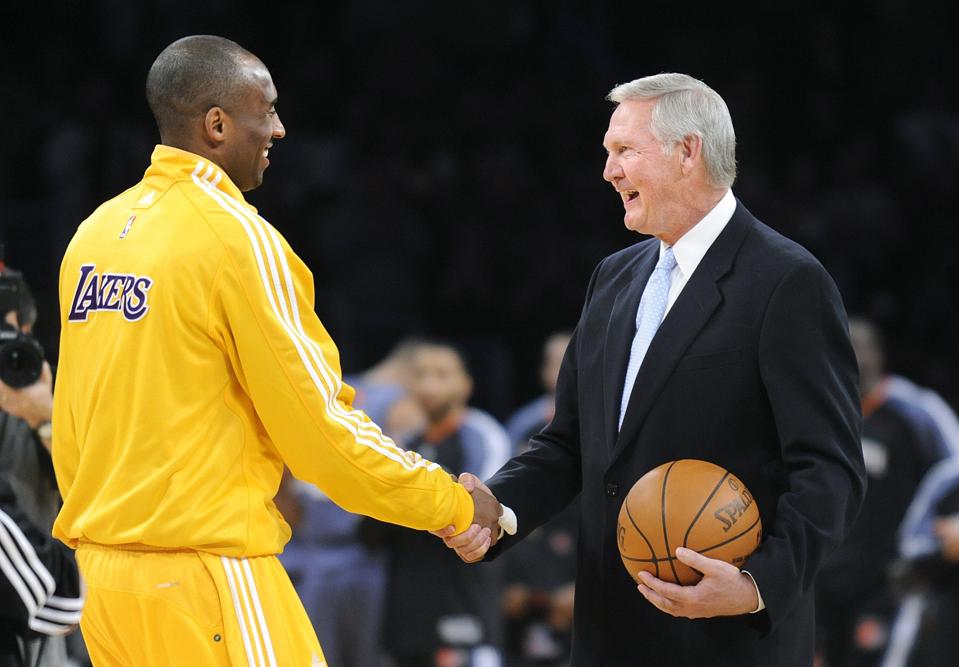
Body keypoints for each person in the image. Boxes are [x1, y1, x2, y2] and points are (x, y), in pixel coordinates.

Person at [50, 35, 503, 667]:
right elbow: (320, 431)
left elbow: (73, 419)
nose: (280, 129)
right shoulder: (238, 238)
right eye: (266, 110)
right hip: (206, 576)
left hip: (103, 582)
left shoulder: (94, 234)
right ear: (216, 125)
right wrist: (449, 503)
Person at [437, 73, 866, 666]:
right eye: (607, 153)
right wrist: (500, 511)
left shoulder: (787, 280)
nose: (608, 172)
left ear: (687, 152)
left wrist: (756, 585)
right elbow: (570, 444)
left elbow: (829, 469)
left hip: (724, 640)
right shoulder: (613, 277)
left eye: (625, 151)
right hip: (605, 634)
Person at [280, 338, 426, 667]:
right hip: (347, 551)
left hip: (330, 548)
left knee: (320, 654)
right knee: (358, 654)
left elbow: (281, 473)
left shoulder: (324, 391)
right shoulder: (398, 400)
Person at [816, 318, 951, 665]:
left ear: (878, 354)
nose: (851, 355)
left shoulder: (915, 409)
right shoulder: (819, 410)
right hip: (823, 577)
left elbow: (954, 468)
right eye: (842, 346)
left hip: (885, 580)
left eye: (859, 347)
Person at [371, 342, 511, 666]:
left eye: (441, 374)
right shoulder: (403, 444)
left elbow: (483, 512)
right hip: (409, 607)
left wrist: (411, 491)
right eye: (420, 375)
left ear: (466, 384)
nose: (428, 385)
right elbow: (371, 530)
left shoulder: (482, 436)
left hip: (465, 600)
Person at [502, 332, 577, 666]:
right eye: (554, 362)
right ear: (543, 371)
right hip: (530, 575)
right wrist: (510, 579)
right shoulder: (522, 426)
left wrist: (585, 584)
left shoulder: (611, 419)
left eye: (569, 359)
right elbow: (505, 504)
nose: (562, 370)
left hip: (584, 570)